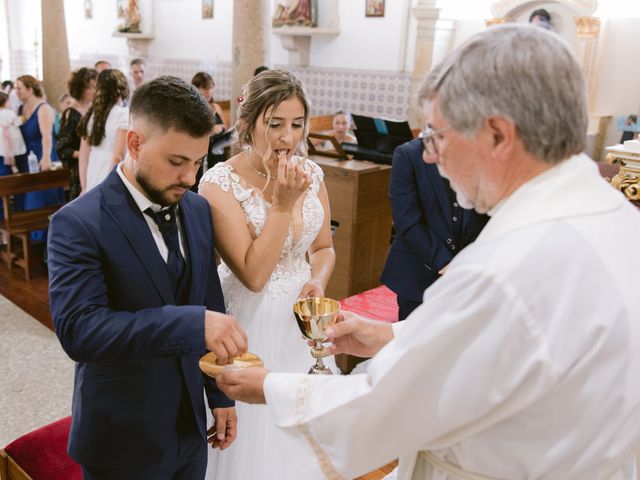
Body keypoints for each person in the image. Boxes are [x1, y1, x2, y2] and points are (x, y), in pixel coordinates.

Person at [215, 25, 640, 480]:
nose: (431, 157)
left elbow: (389, 406)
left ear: (497, 136)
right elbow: (497, 350)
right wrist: (390, 337)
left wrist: (272, 388)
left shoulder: (505, 266)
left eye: (436, 136)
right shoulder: (615, 216)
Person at [47, 75, 249, 479]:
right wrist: (191, 324)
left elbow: (208, 298)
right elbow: (80, 331)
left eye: (198, 162)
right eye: (177, 162)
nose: (190, 177)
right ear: (135, 143)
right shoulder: (77, 223)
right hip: (121, 438)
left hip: (190, 430)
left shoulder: (196, 210)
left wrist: (218, 392)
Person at [198, 69, 336, 479]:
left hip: (300, 324)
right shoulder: (219, 183)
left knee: (298, 428)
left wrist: (318, 280)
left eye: (297, 125)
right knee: (253, 435)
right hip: (249, 324)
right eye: (275, 125)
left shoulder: (311, 174)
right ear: (247, 124)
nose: (287, 138)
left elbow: (324, 248)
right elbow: (253, 275)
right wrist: (281, 202)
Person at [381, 137, 488, 320]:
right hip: (418, 274)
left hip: (470, 274)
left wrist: (468, 264)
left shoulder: (484, 153)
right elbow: (406, 222)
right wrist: (446, 262)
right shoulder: (408, 154)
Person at [15, 75, 64, 234]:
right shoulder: (20, 109)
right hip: (25, 159)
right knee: (25, 202)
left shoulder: (43, 108)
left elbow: (47, 136)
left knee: (39, 200)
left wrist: (46, 158)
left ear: (30, 90)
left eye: (19, 88)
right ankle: (30, 241)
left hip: (42, 155)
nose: (16, 92)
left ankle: (44, 240)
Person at [77, 69, 129, 193]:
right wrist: (108, 188)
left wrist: (84, 187)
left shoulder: (92, 114)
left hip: (92, 174)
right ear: (122, 88)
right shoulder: (122, 114)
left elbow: (83, 156)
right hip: (110, 178)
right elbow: (118, 156)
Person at [56, 67, 97, 200]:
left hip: (96, 164)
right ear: (80, 88)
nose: (94, 90)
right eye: (90, 87)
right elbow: (63, 148)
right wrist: (83, 154)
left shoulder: (95, 110)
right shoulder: (71, 113)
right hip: (79, 170)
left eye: (95, 86)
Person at [191, 72, 227, 189]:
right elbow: (192, 133)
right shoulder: (193, 109)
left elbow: (224, 128)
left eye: (210, 88)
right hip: (202, 155)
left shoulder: (216, 107)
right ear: (196, 88)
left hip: (218, 153)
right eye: (204, 88)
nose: (208, 92)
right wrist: (212, 130)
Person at [0, 91, 26, 175]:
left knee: (3, 162)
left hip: (1, 142)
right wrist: (23, 118)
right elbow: (18, 122)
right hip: (13, 140)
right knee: (19, 159)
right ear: (5, 103)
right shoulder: (10, 113)